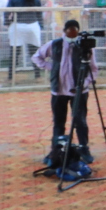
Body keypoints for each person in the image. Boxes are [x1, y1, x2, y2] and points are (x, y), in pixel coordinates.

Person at [31, 19, 97, 153]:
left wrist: (85, 82)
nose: (72, 34)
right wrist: (52, 67)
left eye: (75, 31)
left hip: (79, 91)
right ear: (64, 31)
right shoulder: (54, 44)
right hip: (59, 91)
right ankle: (56, 150)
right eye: (69, 31)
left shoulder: (85, 46)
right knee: (58, 122)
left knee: (80, 121)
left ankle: (84, 148)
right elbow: (37, 57)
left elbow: (93, 69)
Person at [5, 0, 44, 80]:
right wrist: (41, 26)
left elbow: (7, 12)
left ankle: (10, 76)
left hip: (18, 26)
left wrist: (7, 23)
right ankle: (37, 75)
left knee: (14, 52)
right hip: (33, 25)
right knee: (34, 52)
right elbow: (39, 14)